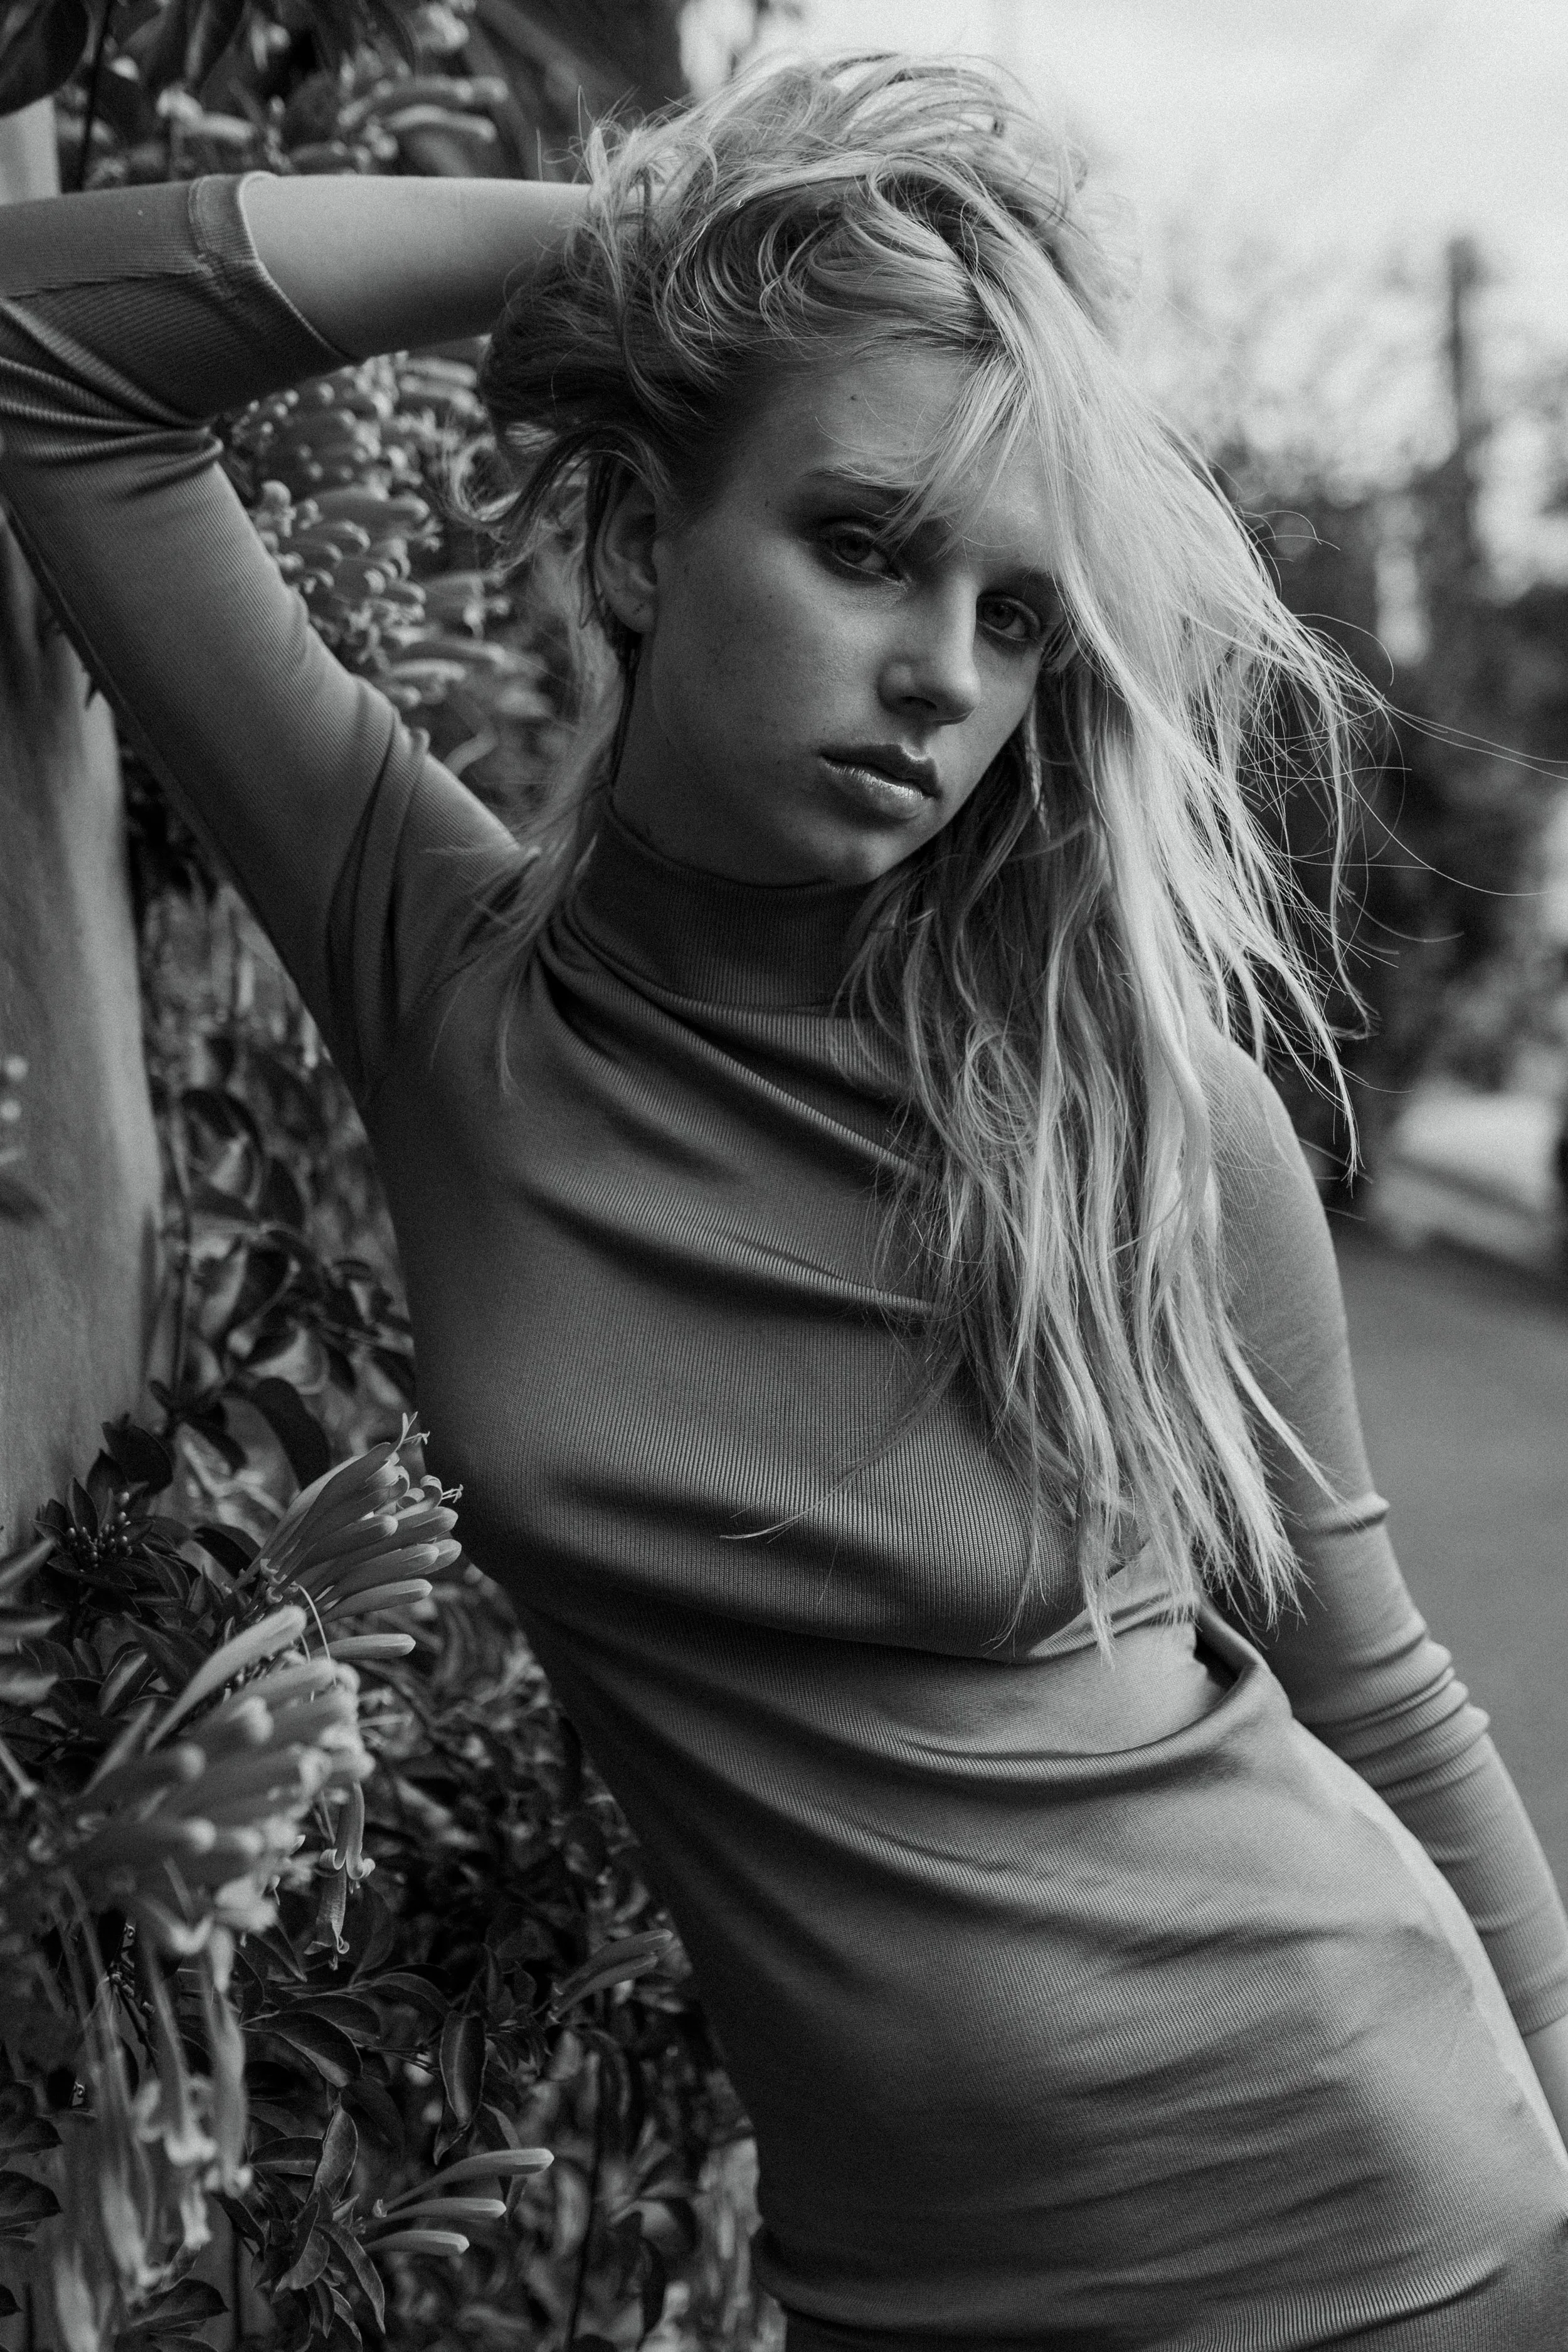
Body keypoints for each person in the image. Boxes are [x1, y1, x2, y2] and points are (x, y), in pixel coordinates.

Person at [0, 51, 1564, 2349]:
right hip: (893, 2281)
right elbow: (47, 358)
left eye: (1021, 618)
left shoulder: (1134, 1113)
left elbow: (1385, 1700)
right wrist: (709, 249)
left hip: (1378, 2215)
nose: (938, 673)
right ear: (643, 540)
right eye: (859, 542)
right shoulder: (434, 974)